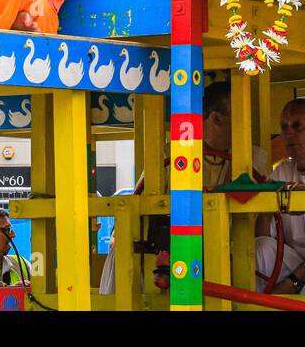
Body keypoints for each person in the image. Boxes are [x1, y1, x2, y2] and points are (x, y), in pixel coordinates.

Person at [98, 80, 270, 295]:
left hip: (232, 252)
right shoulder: (168, 155)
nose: (247, 127)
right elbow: (137, 201)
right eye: (240, 119)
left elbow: (265, 221)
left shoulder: (254, 159)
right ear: (216, 118)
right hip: (171, 247)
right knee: (120, 251)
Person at [254, 98, 305, 296]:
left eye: (297, 126)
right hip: (295, 264)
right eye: (284, 127)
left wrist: (294, 281)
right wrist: (265, 207)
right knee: (260, 247)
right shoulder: (280, 173)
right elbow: (262, 235)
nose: (288, 134)